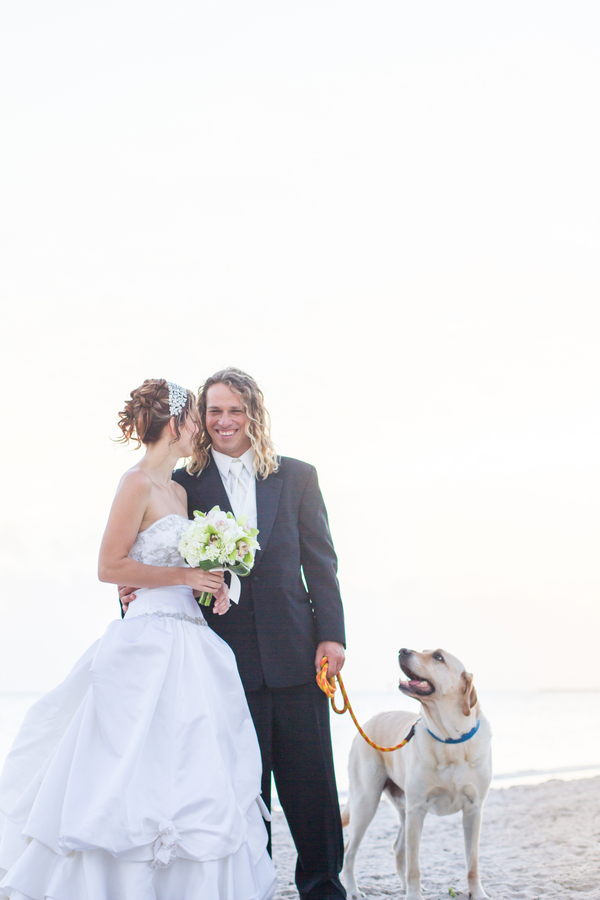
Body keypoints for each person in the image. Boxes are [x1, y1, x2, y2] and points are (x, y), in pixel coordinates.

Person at [0, 379, 277, 900]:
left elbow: (174, 561)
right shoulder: (135, 484)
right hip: (147, 640)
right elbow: (110, 566)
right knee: (129, 761)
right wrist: (183, 578)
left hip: (192, 639)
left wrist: (212, 582)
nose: (199, 429)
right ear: (175, 425)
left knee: (193, 755)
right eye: (195, 420)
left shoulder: (178, 490)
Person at [122, 368, 347, 900]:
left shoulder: (297, 477)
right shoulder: (183, 484)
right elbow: (147, 547)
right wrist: (132, 596)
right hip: (220, 658)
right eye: (214, 411)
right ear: (200, 418)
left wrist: (332, 637)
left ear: (254, 414)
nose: (224, 422)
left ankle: (323, 890)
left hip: (298, 652)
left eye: (235, 410)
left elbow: (322, 564)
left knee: (313, 788)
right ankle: (255, 887)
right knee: (242, 789)